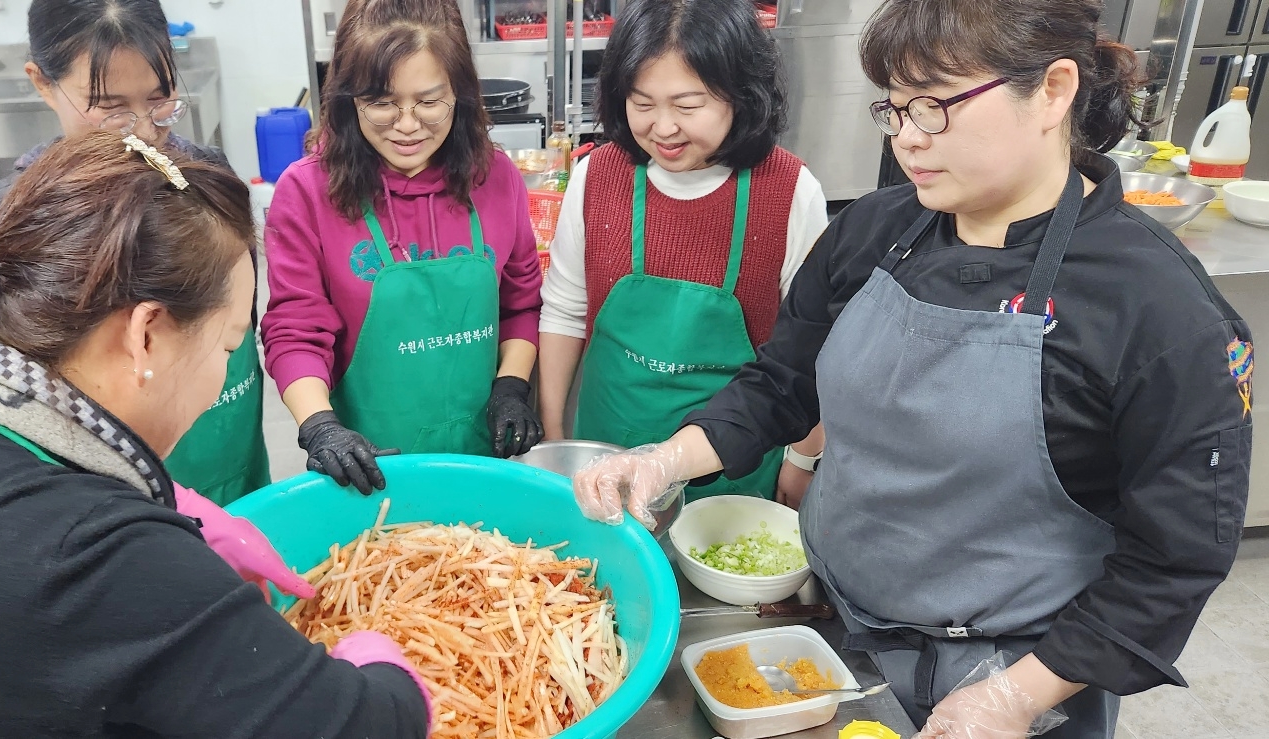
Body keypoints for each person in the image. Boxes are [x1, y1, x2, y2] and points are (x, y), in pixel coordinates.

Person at [573, 1, 1251, 737]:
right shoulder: (874, 230)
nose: (908, 141)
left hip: (1020, 676)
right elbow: (780, 387)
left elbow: (1175, 558)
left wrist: (1018, 694)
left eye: (936, 107)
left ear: (1053, 90)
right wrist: (668, 457)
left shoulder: (1160, 309)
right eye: (894, 110)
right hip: (833, 635)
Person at [0, 130, 432, 738]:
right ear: (145, 334)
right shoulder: (102, 559)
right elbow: (371, 723)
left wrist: (179, 505)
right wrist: (377, 650)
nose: (220, 380)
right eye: (229, 346)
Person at [0, 0, 265, 505]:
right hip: (99, 496)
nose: (143, 129)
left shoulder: (208, 178)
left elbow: (237, 317)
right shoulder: (5, 219)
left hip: (227, 446)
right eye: (111, 108)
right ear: (42, 82)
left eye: (161, 99)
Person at [536, 0, 829, 506]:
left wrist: (802, 460)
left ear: (741, 94)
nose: (663, 128)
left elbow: (813, 351)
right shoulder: (597, 177)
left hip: (730, 471)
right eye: (641, 103)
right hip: (606, 453)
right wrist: (557, 434)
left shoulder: (789, 190)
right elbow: (564, 311)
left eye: (688, 106)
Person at [262, 0, 545, 495]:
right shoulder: (307, 192)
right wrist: (321, 426)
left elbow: (521, 303)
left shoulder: (496, 177)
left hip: (483, 456)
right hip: (372, 468)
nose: (408, 124)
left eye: (429, 101)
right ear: (349, 98)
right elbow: (295, 330)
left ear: (461, 93)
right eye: (382, 102)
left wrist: (512, 386)